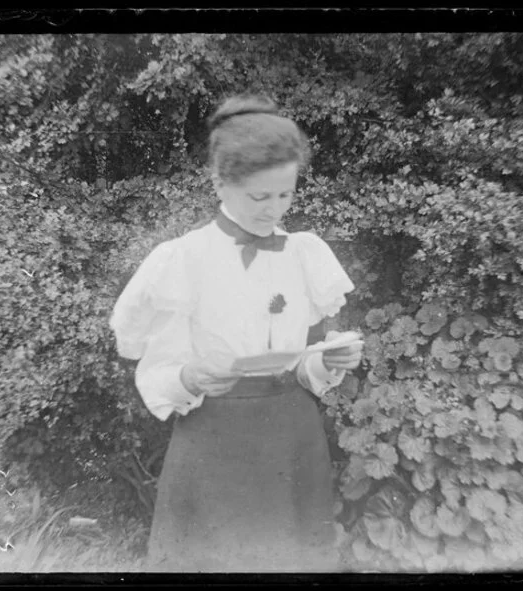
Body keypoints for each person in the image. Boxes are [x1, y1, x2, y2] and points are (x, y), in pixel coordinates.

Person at [109, 94, 364, 573]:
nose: (274, 211)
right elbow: (155, 367)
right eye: (259, 197)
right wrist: (188, 377)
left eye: (285, 195)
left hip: (293, 437)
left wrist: (322, 362)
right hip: (215, 441)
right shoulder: (183, 260)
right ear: (220, 183)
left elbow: (295, 363)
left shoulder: (303, 254)